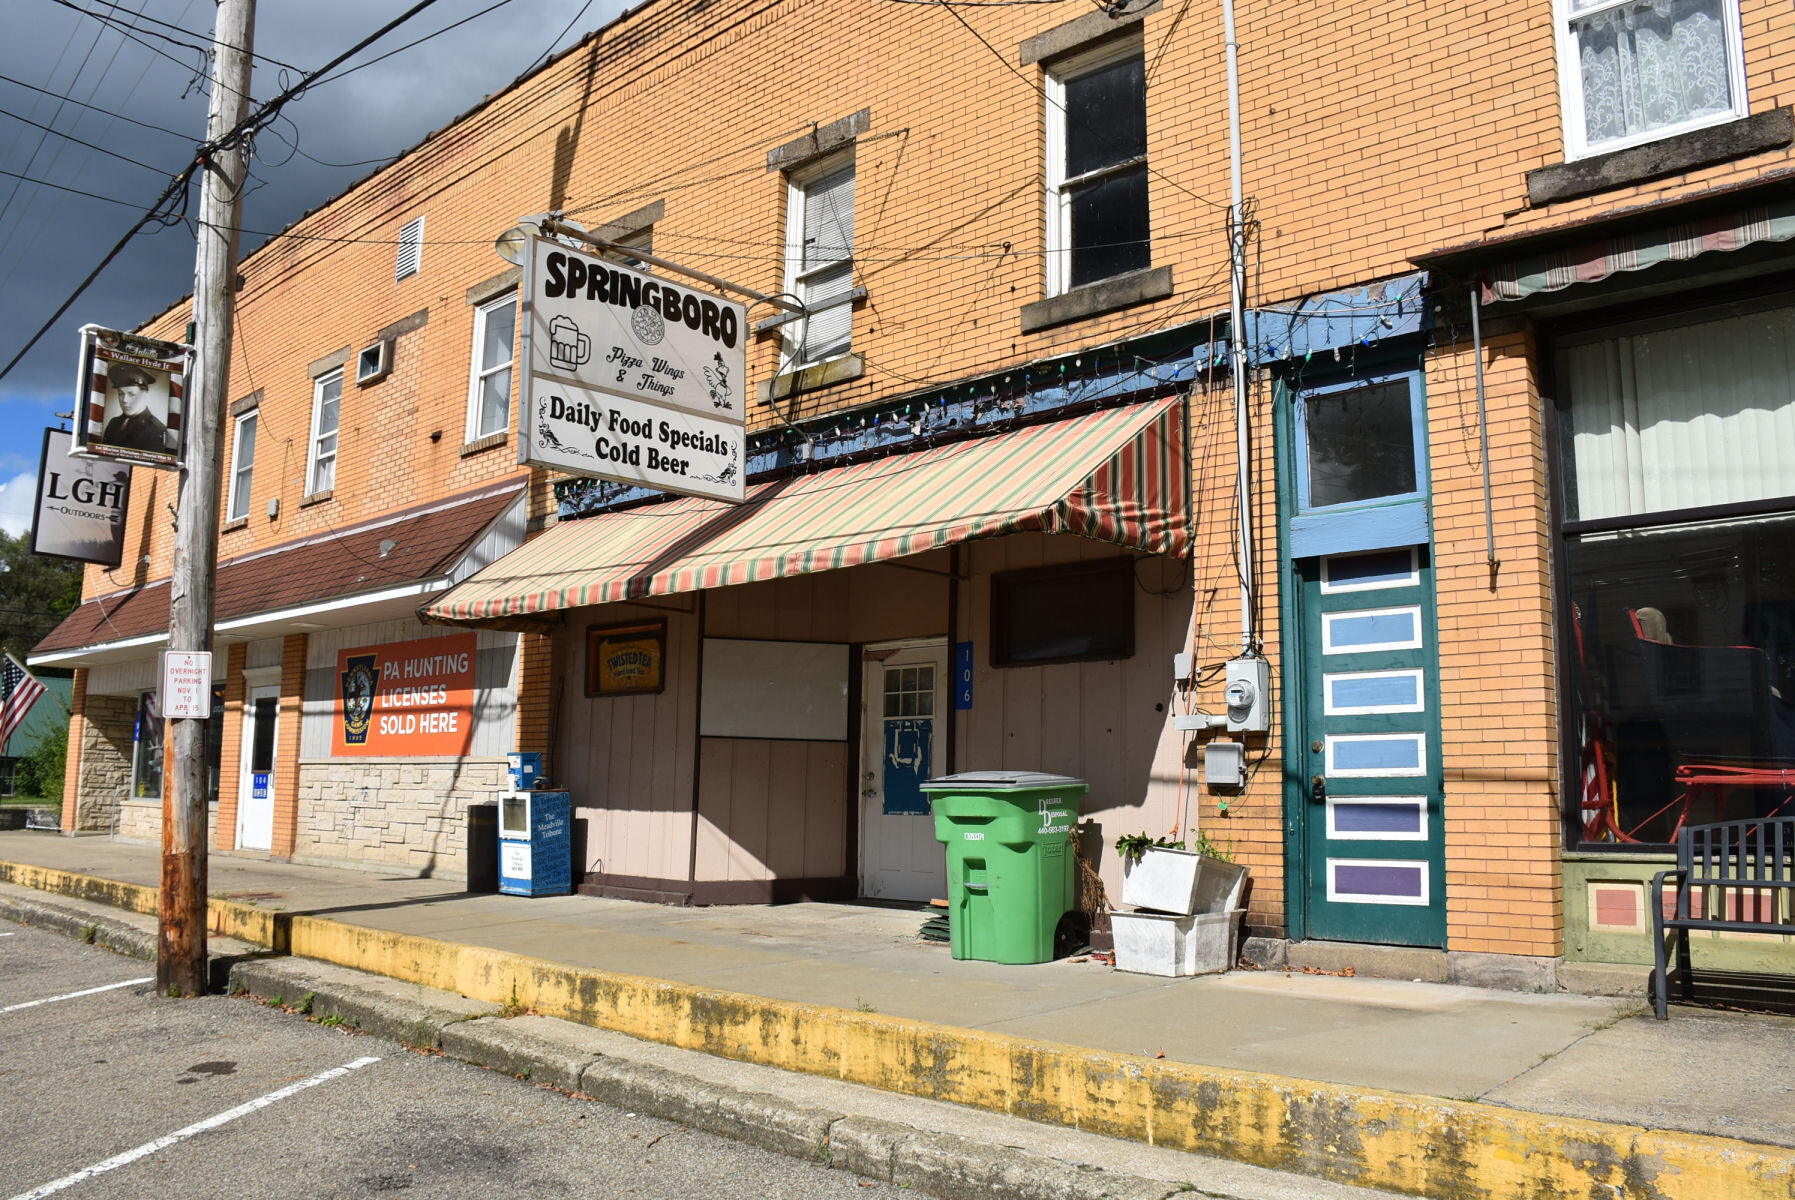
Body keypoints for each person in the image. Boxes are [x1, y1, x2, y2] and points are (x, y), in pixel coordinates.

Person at [101, 364, 169, 454]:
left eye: (131, 394)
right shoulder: (113, 423)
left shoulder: (156, 430)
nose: (124, 400)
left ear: (145, 395)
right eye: (121, 393)